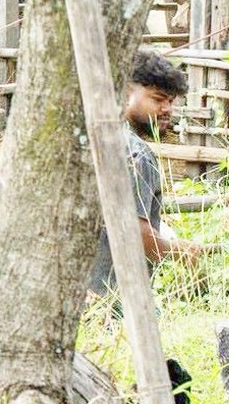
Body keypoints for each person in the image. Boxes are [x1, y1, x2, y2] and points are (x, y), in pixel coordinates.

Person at [90, 48, 211, 294]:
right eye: (157, 99)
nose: (167, 109)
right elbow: (135, 232)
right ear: (126, 93)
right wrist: (180, 251)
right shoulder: (137, 155)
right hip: (116, 295)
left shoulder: (97, 137)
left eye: (171, 101)